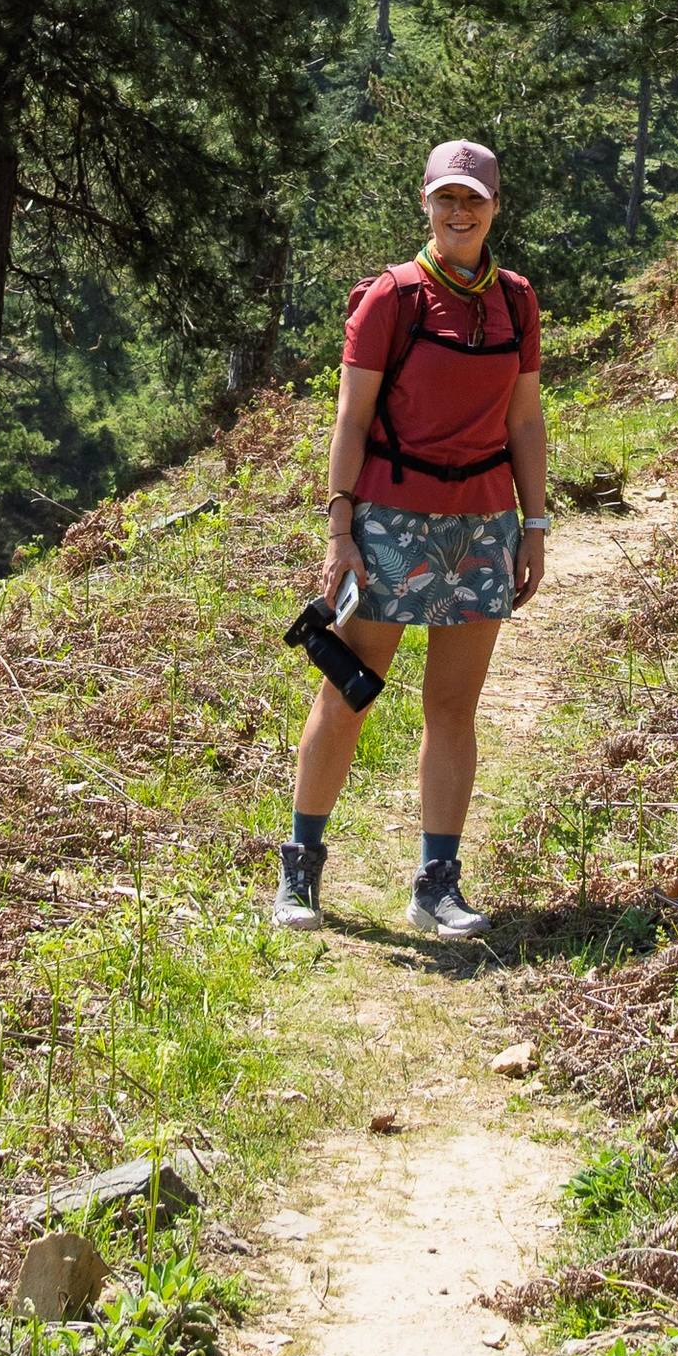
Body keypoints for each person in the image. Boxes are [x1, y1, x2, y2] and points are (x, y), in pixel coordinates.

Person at [273, 138, 548, 941]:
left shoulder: (518, 301)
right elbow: (351, 420)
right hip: (390, 523)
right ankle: (300, 865)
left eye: (474, 200)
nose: (459, 213)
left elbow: (524, 419)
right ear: (424, 204)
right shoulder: (390, 300)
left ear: (496, 207)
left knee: (453, 709)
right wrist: (340, 532)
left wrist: (534, 524)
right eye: (446, 199)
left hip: (486, 524)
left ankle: (437, 883)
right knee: (350, 693)